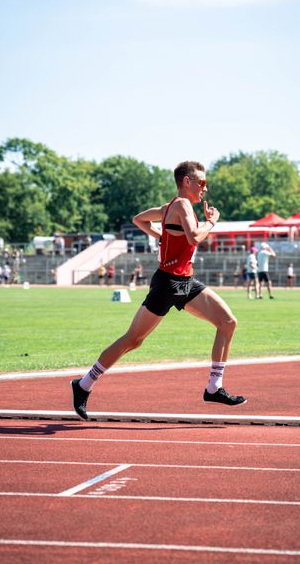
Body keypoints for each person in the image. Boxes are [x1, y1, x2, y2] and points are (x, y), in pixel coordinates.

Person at [71, 161, 246, 420]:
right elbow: (194, 237)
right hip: (166, 283)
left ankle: (214, 387)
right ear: (187, 182)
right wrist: (212, 223)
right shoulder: (181, 205)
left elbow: (138, 219)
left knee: (228, 322)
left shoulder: (168, 208)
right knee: (133, 340)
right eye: (202, 183)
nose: (204, 189)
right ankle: (84, 383)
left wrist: (161, 236)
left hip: (186, 282)